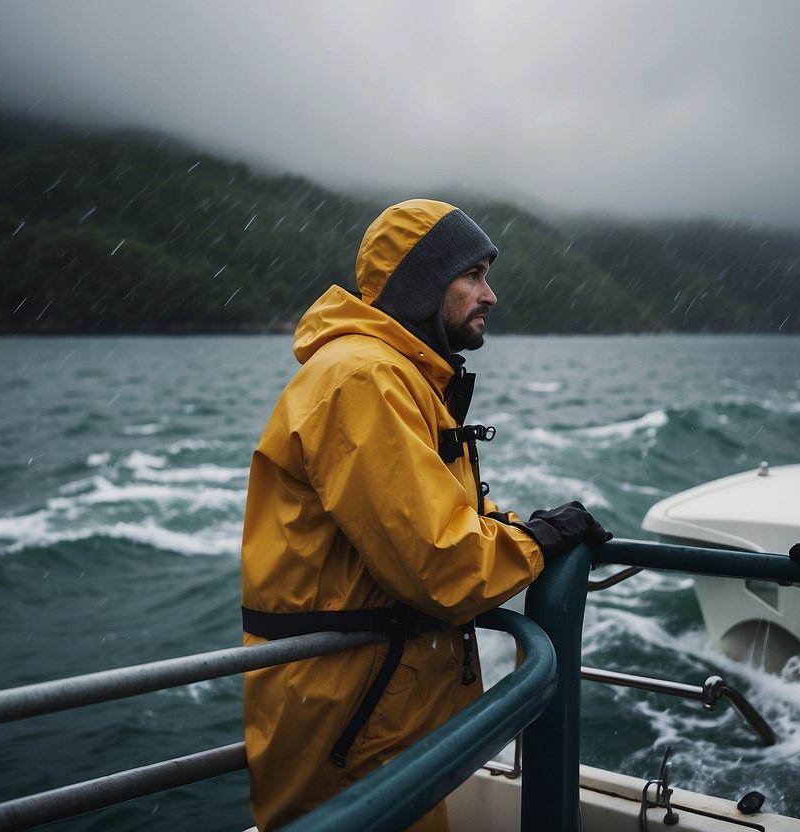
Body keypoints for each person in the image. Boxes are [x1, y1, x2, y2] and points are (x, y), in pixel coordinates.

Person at [240, 198, 611, 830]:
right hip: (349, 728)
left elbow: (439, 513)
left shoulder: (400, 376)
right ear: (423, 283)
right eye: (473, 275)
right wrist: (542, 542)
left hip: (375, 712)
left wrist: (525, 527)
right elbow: (445, 565)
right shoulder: (362, 380)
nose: (489, 295)